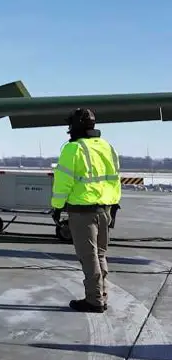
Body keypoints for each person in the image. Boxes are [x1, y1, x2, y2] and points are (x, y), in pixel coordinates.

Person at [51, 107, 121, 313]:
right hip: (104, 209)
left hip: (83, 211)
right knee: (99, 255)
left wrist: (56, 206)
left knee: (88, 256)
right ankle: (101, 295)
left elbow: (63, 181)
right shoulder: (106, 146)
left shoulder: (73, 149)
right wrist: (114, 204)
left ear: (74, 126)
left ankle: (94, 300)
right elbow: (115, 178)